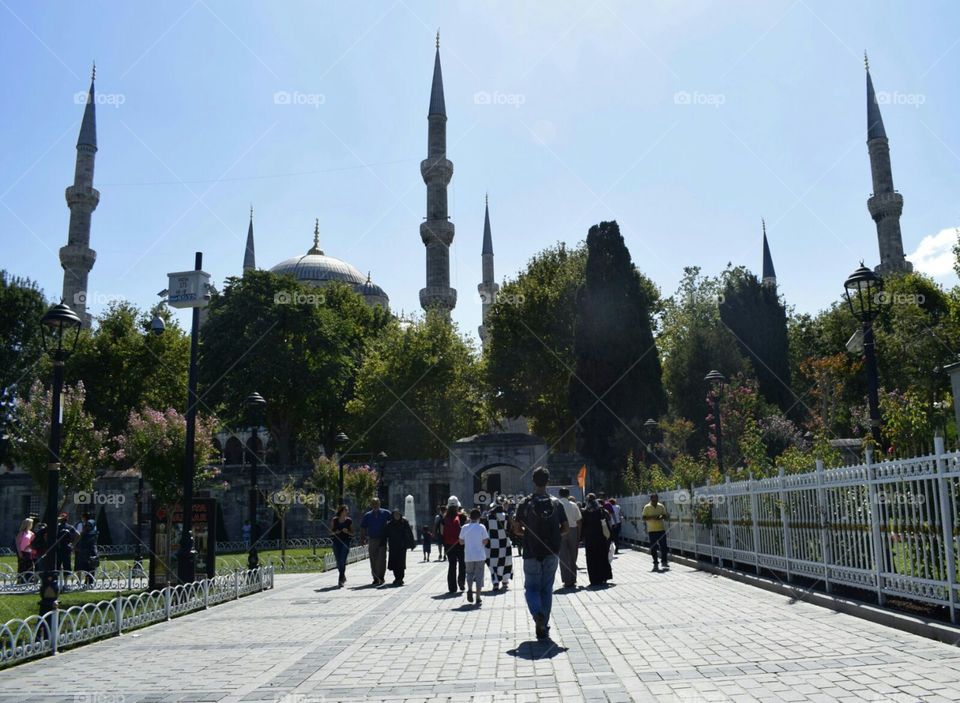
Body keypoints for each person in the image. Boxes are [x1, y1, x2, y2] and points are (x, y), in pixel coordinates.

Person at [515, 467, 568, 640]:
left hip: (531, 552)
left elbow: (517, 528)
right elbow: (566, 528)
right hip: (551, 551)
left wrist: (530, 535)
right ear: (548, 481)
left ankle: (537, 614)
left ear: (533, 481)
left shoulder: (525, 502)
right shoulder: (556, 503)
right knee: (546, 589)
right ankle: (543, 624)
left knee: (531, 588)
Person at [459, 508, 490, 605]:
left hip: (468, 555)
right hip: (480, 555)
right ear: (479, 517)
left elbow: (460, 542)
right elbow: (485, 541)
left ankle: (469, 589)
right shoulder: (482, 527)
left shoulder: (464, 527)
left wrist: (468, 541)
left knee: (469, 574)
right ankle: (478, 596)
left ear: (470, 516)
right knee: (479, 576)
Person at [581, 494, 613, 586]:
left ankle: (594, 579)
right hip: (601, 538)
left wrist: (581, 537)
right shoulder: (602, 511)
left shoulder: (585, 512)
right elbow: (609, 523)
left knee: (591, 559)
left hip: (590, 539)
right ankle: (604, 576)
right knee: (602, 557)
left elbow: (582, 525)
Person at [360, 498, 392, 585]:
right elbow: (363, 527)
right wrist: (362, 538)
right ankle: (375, 578)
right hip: (372, 539)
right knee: (373, 559)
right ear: (371, 505)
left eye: (377, 503)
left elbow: (393, 521)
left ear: (379, 503)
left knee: (382, 559)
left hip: (382, 539)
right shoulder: (368, 515)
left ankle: (381, 577)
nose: (375, 505)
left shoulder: (386, 513)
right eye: (373, 503)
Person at [484, 499, 513, 591]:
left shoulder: (488, 516)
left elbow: (485, 529)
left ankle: (495, 582)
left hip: (492, 543)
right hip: (504, 542)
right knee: (506, 561)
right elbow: (509, 529)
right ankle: (505, 582)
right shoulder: (506, 516)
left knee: (493, 562)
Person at [557, 488, 583, 588]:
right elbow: (579, 521)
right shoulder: (573, 505)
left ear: (559, 494)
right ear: (568, 494)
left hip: (561, 531)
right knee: (573, 555)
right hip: (573, 530)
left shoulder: (556, 505)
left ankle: (566, 580)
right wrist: (578, 534)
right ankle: (573, 578)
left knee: (563, 556)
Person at [384, 509, 415, 585]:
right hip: (393, 546)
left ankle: (400, 578)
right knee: (394, 563)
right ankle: (396, 578)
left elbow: (410, 533)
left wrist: (412, 544)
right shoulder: (390, 524)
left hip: (402, 546)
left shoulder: (404, 523)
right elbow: (385, 535)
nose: (397, 516)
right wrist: (382, 544)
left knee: (401, 563)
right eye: (395, 515)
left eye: (398, 515)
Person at [442, 498, 465, 593]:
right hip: (460, 544)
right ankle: (461, 581)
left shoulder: (444, 518)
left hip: (448, 545)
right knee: (462, 563)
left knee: (452, 565)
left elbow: (442, 533)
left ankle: (452, 587)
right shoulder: (462, 516)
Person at [643, 493, 670, 571]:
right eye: (653, 499)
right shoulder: (647, 507)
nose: (655, 501)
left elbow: (664, 515)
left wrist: (660, 517)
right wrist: (652, 517)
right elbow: (644, 517)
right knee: (654, 547)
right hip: (651, 530)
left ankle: (664, 561)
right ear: (651, 499)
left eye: (656, 499)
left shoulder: (661, 506)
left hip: (661, 529)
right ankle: (655, 561)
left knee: (664, 546)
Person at [330, 505, 353, 587]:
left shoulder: (349, 521)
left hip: (345, 542)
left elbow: (352, 533)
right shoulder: (335, 520)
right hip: (336, 542)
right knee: (338, 561)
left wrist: (347, 532)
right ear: (341, 511)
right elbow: (330, 532)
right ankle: (343, 576)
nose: (347, 512)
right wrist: (335, 532)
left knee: (342, 560)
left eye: (347, 510)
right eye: (346, 510)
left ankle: (340, 579)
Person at [75, 512, 99, 585]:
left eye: (87, 526)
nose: (85, 527)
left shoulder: (89, 532)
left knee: (89, 566)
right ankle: (87, 581)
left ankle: (89, 581)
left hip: (87, 550)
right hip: (87, 550)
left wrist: (75, 545)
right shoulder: (92, 530)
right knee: (86, 566)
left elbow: (79, 537)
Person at [15, 518, 36, 584]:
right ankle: (20, 580)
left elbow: (33, 543)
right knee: (22, 566)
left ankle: (29, 579)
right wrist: (19, 552)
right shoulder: (22, 533)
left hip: (29, 551)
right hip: (22, 551)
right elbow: (17, 543)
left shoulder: (31, 533)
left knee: (30, 566)